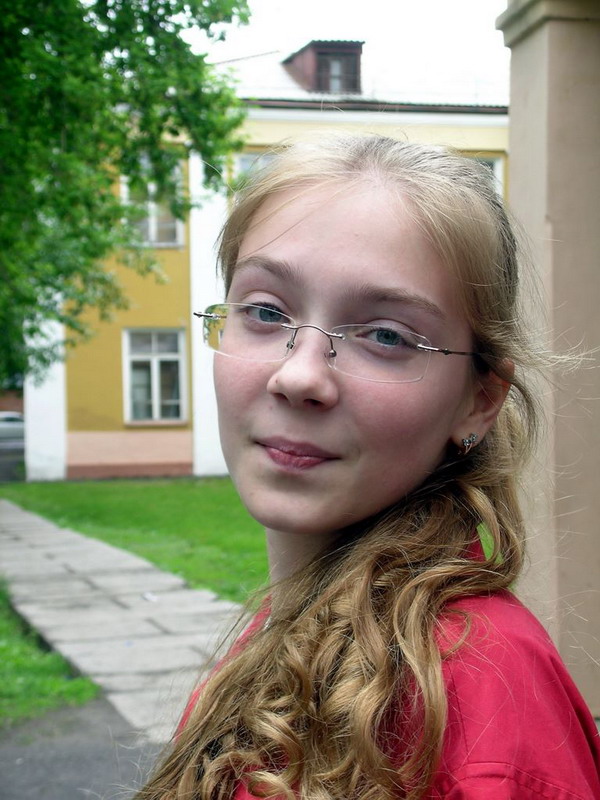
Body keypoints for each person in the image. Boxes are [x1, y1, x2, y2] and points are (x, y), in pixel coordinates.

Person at [137, 134, 600, 799]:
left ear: (479, 399)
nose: (299, 375)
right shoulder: (282, 638)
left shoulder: (475, 691)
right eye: (266, 312)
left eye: (385, 336)